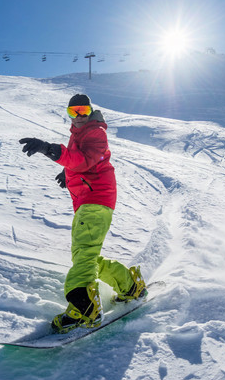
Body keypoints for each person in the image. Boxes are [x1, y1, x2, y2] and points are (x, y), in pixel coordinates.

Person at [18, 93, 147, 333]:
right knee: (86, 257)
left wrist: (49, 149)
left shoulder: (96, 132)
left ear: (90, 112)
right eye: (72, 112)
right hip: (91, 202)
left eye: (82, 111)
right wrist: (68, 174)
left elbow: (87, 159)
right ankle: (130, 287)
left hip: (95, 200)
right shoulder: (79, 134)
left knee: (84, 254)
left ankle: (85, 309)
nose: (77, 117)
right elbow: (82, 162)